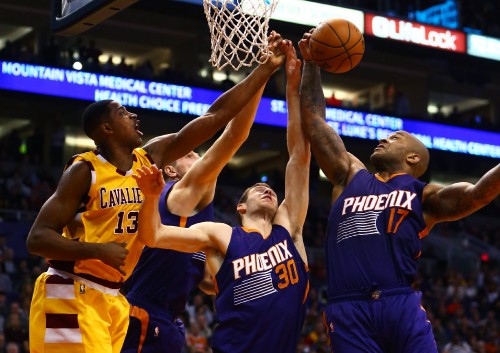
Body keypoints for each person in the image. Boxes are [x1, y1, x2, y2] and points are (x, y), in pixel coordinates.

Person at [26, 31, 287, 353]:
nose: (133, 115)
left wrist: (265, 69)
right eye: (123, 113)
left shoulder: (148, 159)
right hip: (70, 289)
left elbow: (215, 117)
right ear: (106, 129)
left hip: (113, 296)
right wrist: (98, 250)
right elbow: (36, 239)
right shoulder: (85, 170)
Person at [297, 31, 500, 353]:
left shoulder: (424, 195)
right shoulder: (349, 174)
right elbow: (314, 122)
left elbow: (477, 194)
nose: (384, 139)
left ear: (413, 158)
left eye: (395, 137)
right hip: (347, 306)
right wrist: (310, 63)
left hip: (398, 301)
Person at [132, 42, 311, 353]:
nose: (199, 157)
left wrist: (293, 87)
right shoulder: (183, 197)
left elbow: (299, 156)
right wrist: (265, 71)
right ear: (171, 171)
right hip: (144, 313)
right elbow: (233, 136)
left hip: (169, 318)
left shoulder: (270, 230)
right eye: (190, 155)